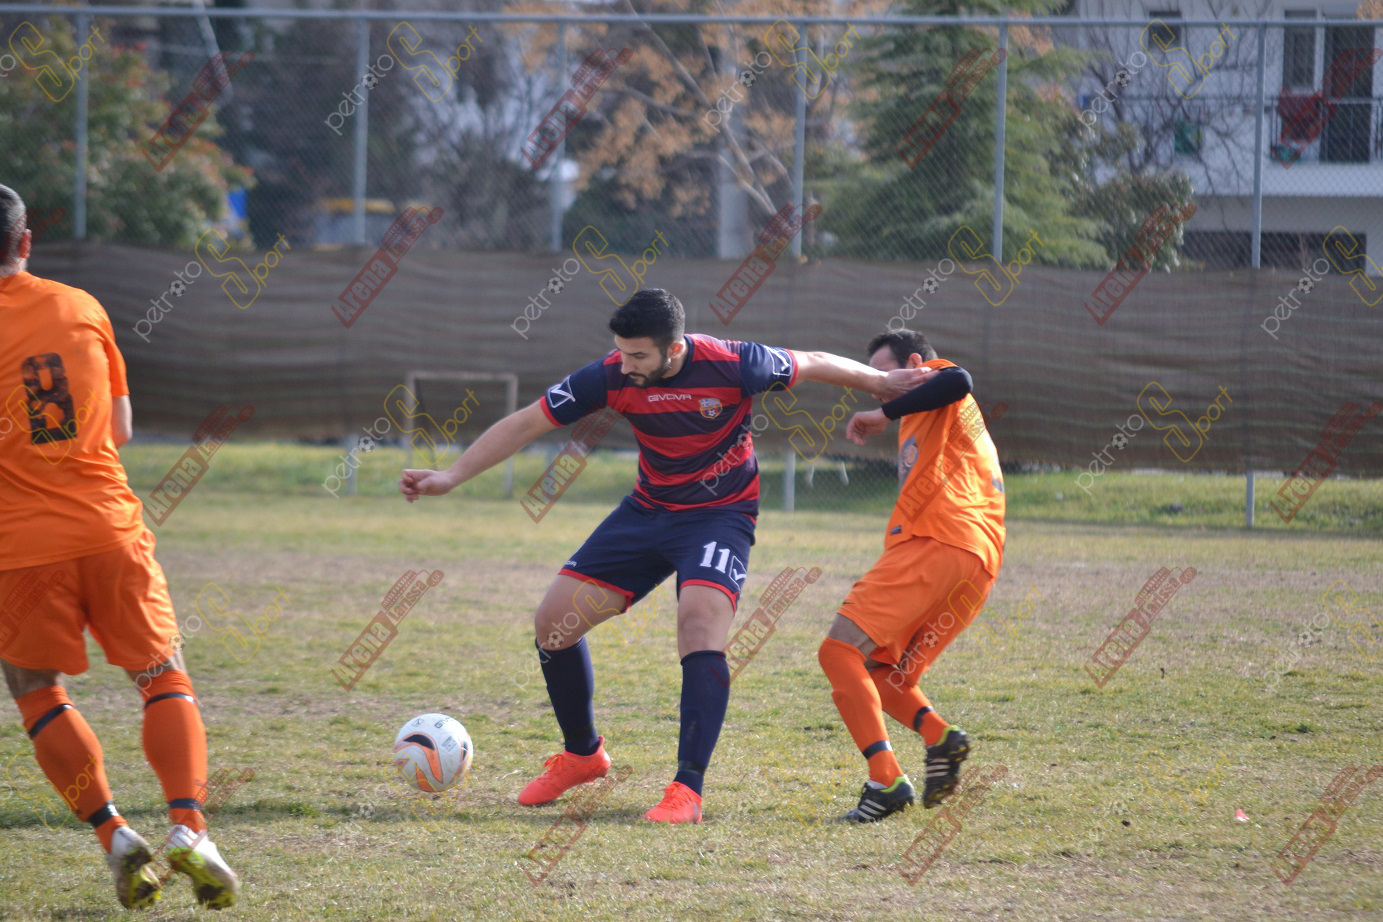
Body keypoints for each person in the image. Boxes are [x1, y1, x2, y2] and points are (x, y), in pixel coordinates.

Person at [399, 288, 925, 824]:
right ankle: (583, 756)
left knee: (699, 624)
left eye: (638, 355)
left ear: (674, 349)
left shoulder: (734, 362)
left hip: (720, 515)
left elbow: (811, 362)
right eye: (621, 352)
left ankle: (687, 790)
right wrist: (451, 476)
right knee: (553, 624)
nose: (625, 364)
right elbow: (529, 422)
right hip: (648, 511)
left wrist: (879, 383)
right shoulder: (612, 373)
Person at [0, 185, 239, 908]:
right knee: (163, 675)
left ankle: (115, 837)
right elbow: (122, 427)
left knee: (36, 688)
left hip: (19, 548)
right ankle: (190, 829)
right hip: (110, 528)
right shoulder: (82, 307)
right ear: (26, 242)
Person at [818, 329, 1005, 822]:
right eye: (873, 380)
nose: (879, 386)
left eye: (886, 374)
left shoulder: (939, 385)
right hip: (977, 559)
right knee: (885, 674)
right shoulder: (935, 419)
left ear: (917, 364)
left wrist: (882, 413)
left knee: (838, 652)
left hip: (937, 540)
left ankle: (886, 782)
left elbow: (958, 379)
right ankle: (941, 738)